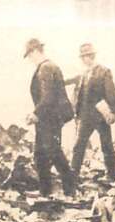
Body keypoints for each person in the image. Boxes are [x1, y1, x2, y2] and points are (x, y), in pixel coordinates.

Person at [24, 38, 76, 197]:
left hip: (49, 119)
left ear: (35, 52)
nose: (30, 60)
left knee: (53, 153)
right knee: (42, 154)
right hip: (49, 118)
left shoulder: (45, 68)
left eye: (30, 55)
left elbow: (48, 97)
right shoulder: (49, 66)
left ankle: (69, 190)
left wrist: (35, 113)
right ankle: (46, 191)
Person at [69, 43, 115, 183]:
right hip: (85, 116)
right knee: (79, 145)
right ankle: (73, 175)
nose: (85, 59)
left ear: (91, 56)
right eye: (83, 57)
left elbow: (111, 92)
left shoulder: (103, 71)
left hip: (100, 116)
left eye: (86, 56)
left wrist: (113, 111)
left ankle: (112, 175)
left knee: (106, 145)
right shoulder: (84, 73)